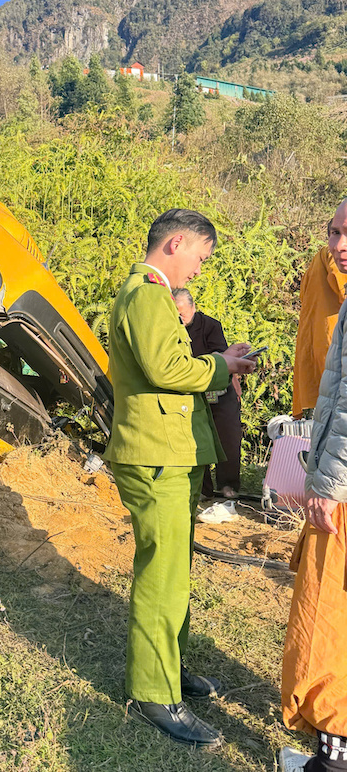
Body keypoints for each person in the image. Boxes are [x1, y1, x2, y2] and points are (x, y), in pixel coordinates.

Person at [103, 209, 255, 748]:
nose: (200, 268)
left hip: (169, 454)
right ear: (178, 243)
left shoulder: (151, 294)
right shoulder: (146, 294)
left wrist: (216, 359)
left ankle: (169, 669)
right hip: (154, 457)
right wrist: (223, 367)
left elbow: (169, 361)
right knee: (161, 577)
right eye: (200, 256)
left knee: (174, 574)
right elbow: (165, 370)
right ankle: (153, 691)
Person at [280, 199, 347, 772]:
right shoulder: (320, 275)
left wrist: (325, 483)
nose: (339, 244)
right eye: (333, 232)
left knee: (328, 608)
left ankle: (334, 750)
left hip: (341, 485)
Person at [172, 289, 243, 499]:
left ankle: (228, 486)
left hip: (218, 389)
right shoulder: (170, 329)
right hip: (190, 392)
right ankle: (202, 489)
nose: (179, 318)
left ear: (193, 308)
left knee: (228, 439)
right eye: (175, 314)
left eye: (182, 314)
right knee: (194, 440)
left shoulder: (210, 325)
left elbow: (221, 356)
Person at [292, 237, 347, 418]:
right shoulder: (334, 256)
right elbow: (343, 290)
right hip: (334, 348)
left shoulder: (317, 260)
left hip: (316, 351)